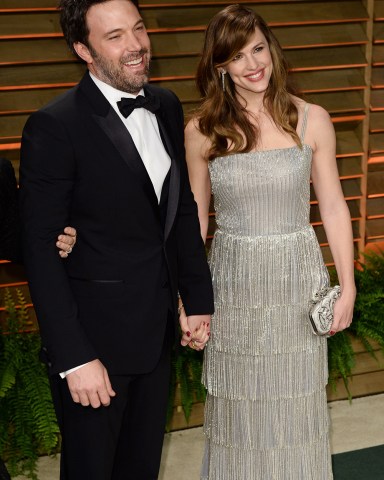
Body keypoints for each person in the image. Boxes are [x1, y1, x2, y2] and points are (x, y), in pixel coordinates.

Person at [19, 0, 213, 478]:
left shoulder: (165, 105)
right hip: (95, 343)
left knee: (140, 468)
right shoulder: (54, 126)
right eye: (115, 36)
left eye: (139, 30)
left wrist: (198, 297)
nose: (136, 46)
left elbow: (180, 208)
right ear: (83, 49)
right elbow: (41, 253)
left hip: (156, 331)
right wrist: (75, 357)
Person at [185, 5, 356, 479]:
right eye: (237, 57)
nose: (252, 64)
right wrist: (189, 297)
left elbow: (335, 207)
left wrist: (348, 285)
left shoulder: (311, 119)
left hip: (296, 286)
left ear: (272, 49)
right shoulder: (201, 131)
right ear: (219, 66)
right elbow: (194, 224)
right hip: (232, 288)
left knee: (296, 411)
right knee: (240, 416)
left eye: (258, 49)